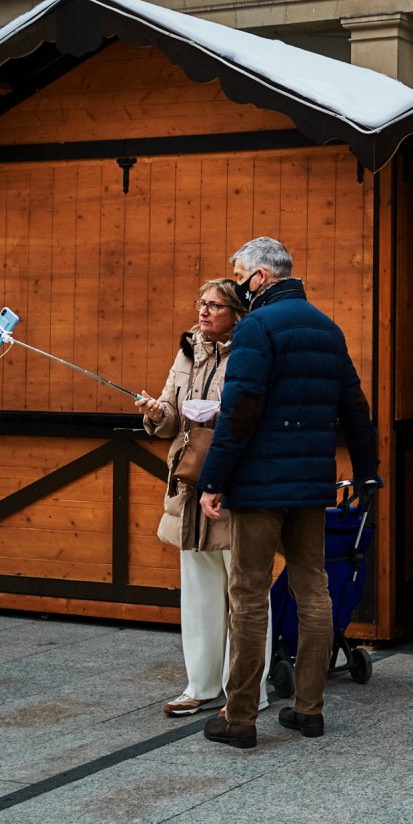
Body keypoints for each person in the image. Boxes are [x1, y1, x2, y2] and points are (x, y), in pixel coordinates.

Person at [196, 237, 378, 749]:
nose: (234, 282)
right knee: (313, 587)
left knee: (249, 594)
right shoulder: (328, 328)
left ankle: (240, 718)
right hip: (311, 485)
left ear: (259, 278)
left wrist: (215, 479)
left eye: (237, 274)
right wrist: (367, 472)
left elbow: (242, 408)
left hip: (258, 485)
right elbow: (355, 408)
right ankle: (309, 709)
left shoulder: (256, 327)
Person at [136, 279, 271, 718]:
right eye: (201, 303)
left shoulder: (252, 349)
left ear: (236, 312)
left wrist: (217, 418)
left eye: (215, 305)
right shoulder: (187, 351)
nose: (204, 311)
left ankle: (249, 691)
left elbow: (256, 414)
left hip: (236, 482)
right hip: (190, 484)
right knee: (197, 591)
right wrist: (158, 414)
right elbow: (173, 416)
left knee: (245, 590)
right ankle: (200, 684)